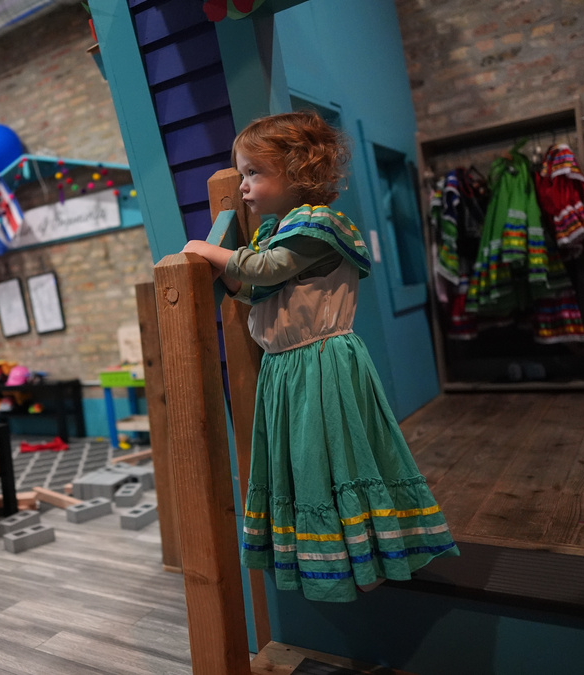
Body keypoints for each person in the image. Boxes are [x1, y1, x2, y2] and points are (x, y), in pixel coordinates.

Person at [182, 111, 458, 603]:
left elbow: (268, 270)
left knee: (334, 457)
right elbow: (264, 289)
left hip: (319, 361)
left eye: (254, 173)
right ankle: (334, 560)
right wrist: (234, 280)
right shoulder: (280, 230)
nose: (243, 187)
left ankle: (367, 559)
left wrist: (209, 251)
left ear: (297, 172)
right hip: (287, 367)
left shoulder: (316, 225)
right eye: (241, 174)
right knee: (305, 464)